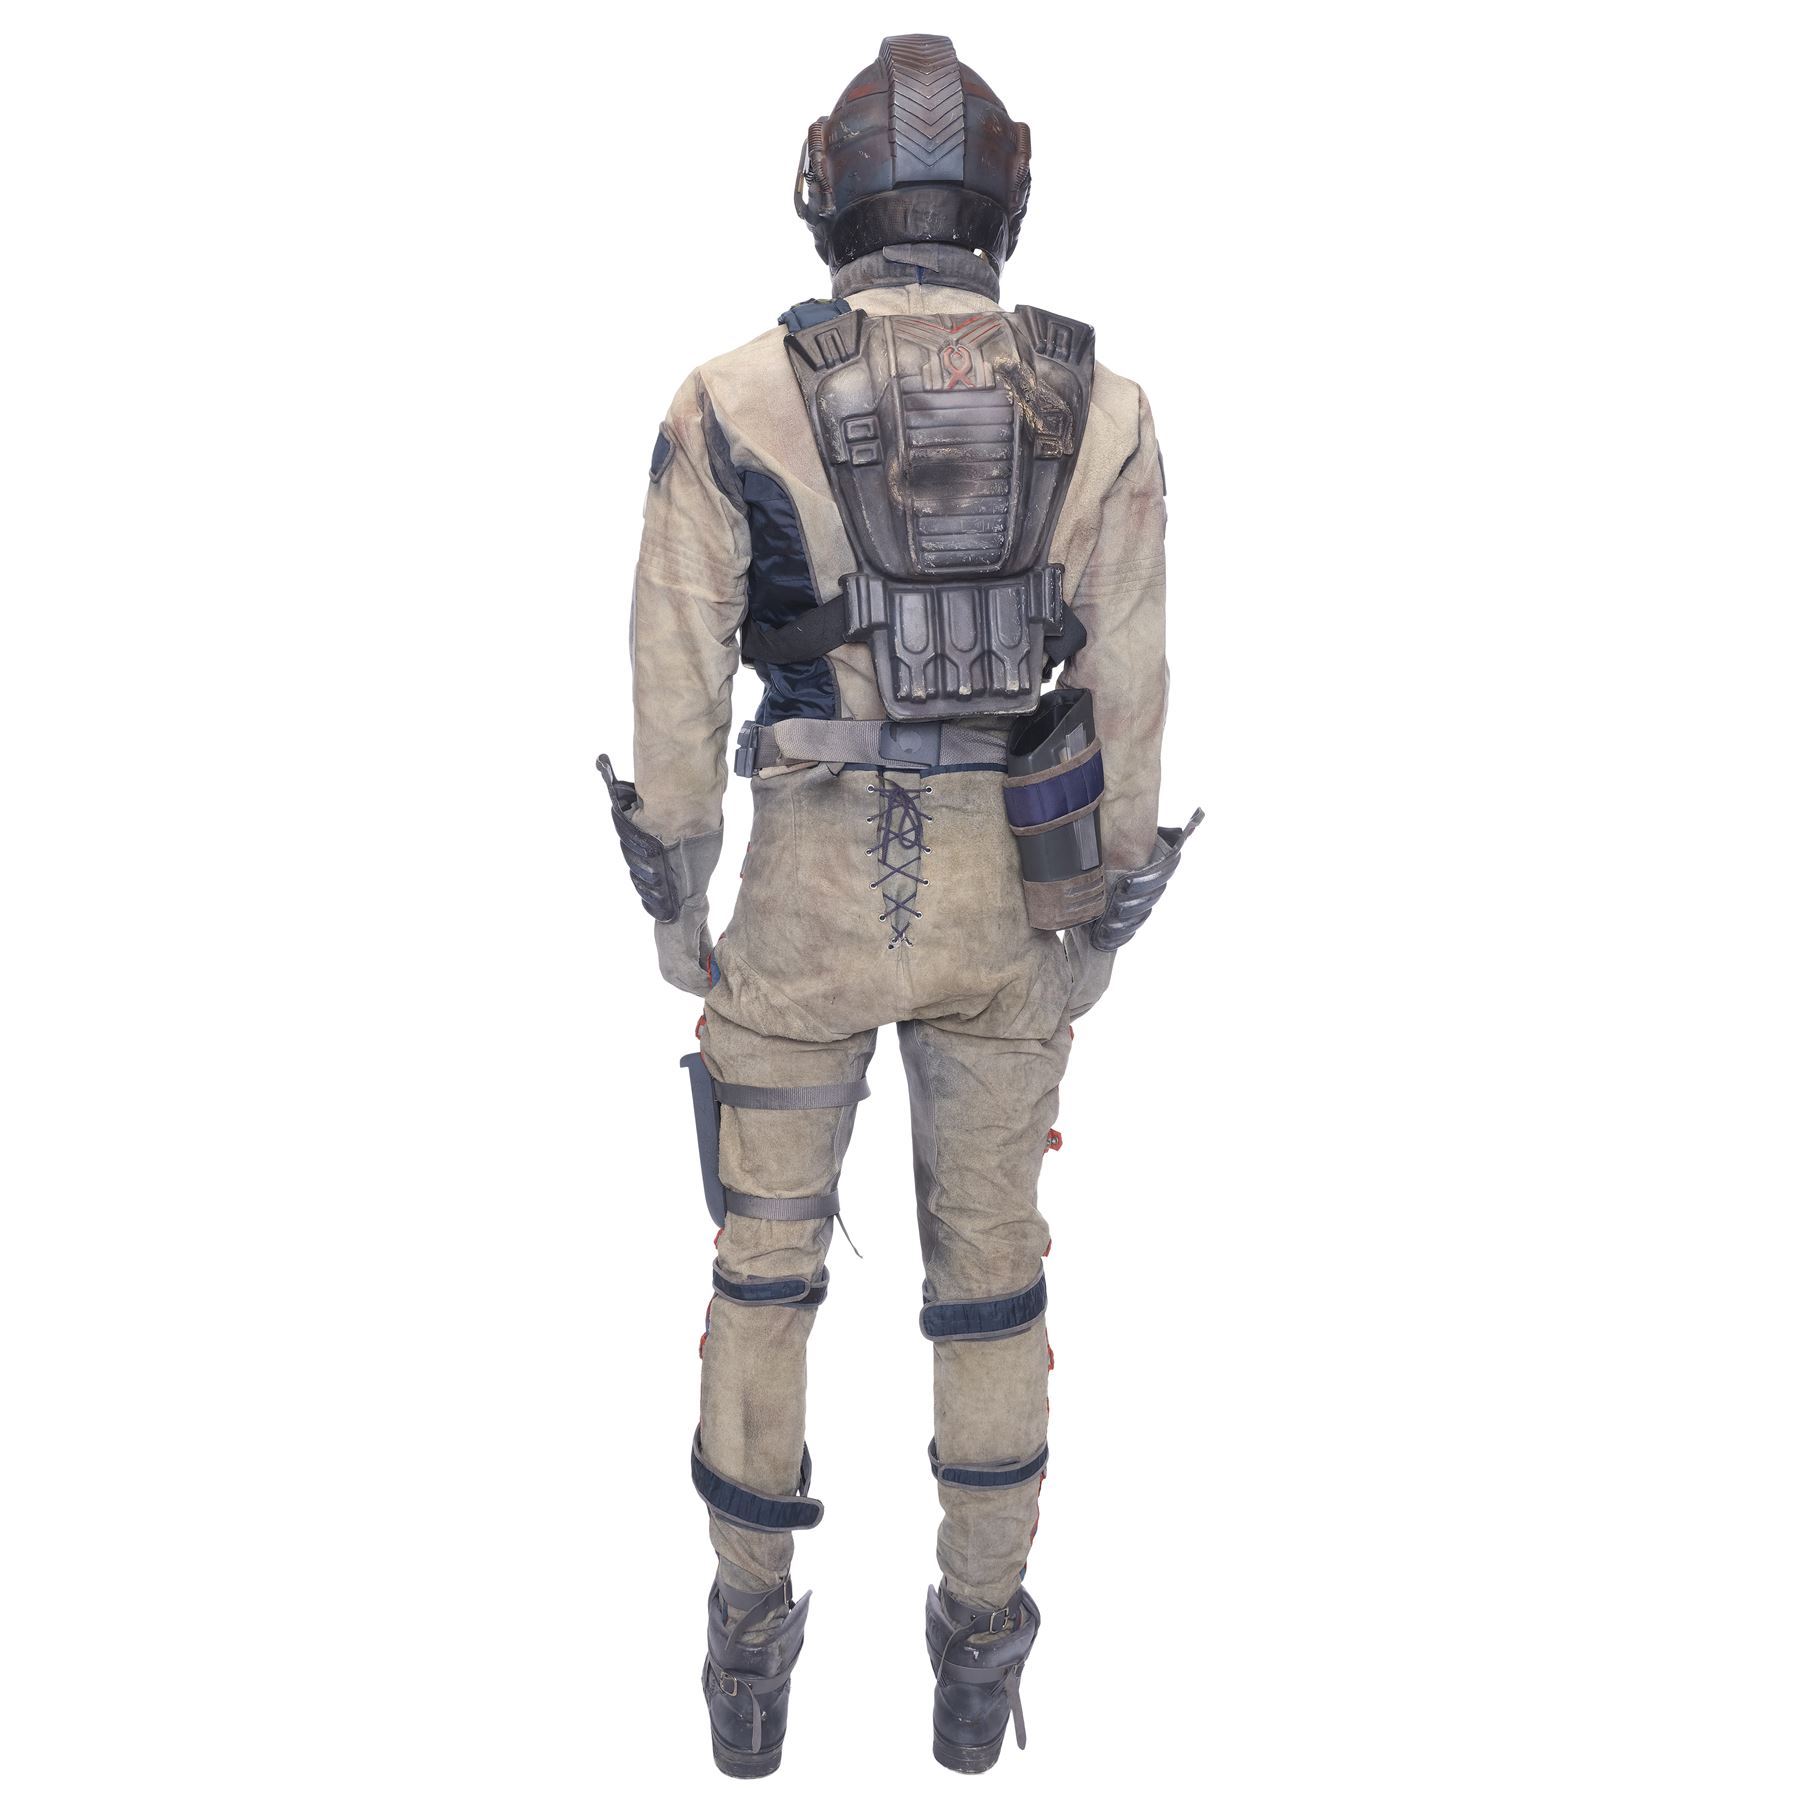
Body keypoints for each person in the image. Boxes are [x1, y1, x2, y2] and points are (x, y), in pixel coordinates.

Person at [600, 33, 1200, 1777]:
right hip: (1007, 904)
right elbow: (1134, 688)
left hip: (797, 898)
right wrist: (1095, 927)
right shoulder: (1105, 409)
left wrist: (677, 902)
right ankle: (979, 1655)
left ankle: (748, 1649)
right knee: (992, 1285)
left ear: (831, 193)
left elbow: (673, 687)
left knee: (762, 1271)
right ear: (1002, 195)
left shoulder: (731, 398)